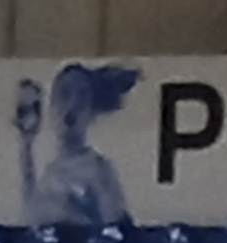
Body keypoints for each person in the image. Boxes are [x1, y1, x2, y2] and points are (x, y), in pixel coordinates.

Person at [17, 63, 140, 227]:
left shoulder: (98, 171)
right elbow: (32, 214)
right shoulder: (50, 172)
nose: (71, 107)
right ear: (52, 105)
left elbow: (116, 228)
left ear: (91, 112)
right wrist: (26, 146)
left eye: (81, 99)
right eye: (64, 94)